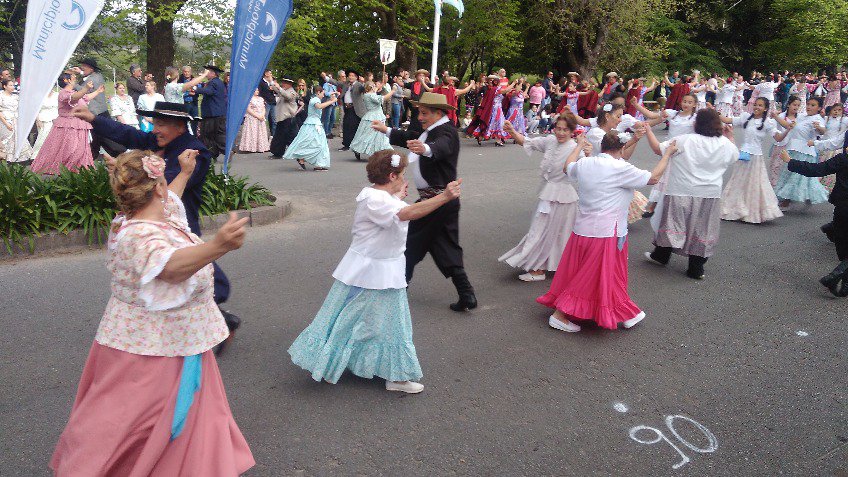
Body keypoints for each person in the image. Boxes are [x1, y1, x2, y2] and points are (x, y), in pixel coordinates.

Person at [50, 150, 254, 475]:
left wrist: (184, 172)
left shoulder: (156, 215)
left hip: (178, 341)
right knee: (130, 425)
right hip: (148, 350)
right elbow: (169, 268)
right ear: (156, 187)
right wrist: (218, 246)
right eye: (163, 182)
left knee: (176, 421)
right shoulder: (137, 234)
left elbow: (171, 198)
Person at [288, 150, 463, 393]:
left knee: (348, 318)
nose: (404, 180)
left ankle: (330, 365)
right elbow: (406, 213)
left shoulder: (377, 196)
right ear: (392, 176)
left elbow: (396, 210)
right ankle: (396, 378)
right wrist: (444, 197)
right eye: (402, 175)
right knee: (390, 325)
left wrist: (398, 196)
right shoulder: (376, 200)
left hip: (370, 270)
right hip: (375, 271)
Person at [72, 101, 241, 342]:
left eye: (161, 124)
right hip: (149, 222)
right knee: (164, 273)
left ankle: (212, 317)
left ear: (180, 126)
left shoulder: (195, 153)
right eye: (155, 123)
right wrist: (93, 118)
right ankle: (207, 319)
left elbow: (167, 193)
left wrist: (130, 173)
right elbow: (127, 134)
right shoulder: (157, 142)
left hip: (179, 223)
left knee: (189, 269)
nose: (155, 130)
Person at [538, 132, 672, 333]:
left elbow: (568, 167)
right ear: (621, 148)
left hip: (583, 230)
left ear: (602, 146)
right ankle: (560, 314)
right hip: (606, 232)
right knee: (593, 276)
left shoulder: (586, 163)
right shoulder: (620, 168)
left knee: (603, 274)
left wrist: (578, 146)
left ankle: (624, 311)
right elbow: (653, 177)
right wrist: (667, 154)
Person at [371, 92, 477, 312]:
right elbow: (409, 137)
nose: (419, 117)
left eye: (424, 113)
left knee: (409, 245)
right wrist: (386, 130)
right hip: (439, 201)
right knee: (444, 246)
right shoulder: (429, 130)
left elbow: (441, 147)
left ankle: (396, 294)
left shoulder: (447, 131)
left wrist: (426, 149)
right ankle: (466, 294)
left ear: (438, 113)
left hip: (437, 201)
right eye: (419, 112)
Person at [644, 109, 740, 279]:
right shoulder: (725, 144)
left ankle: (661, 255)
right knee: (703, 229)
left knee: (673, 224)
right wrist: (730, 136)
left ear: (697, 123)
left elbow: (658, 149)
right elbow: (734, 156)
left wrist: (649, 131)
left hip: (680, 189)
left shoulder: (684, 140)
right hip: (709, 193)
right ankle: (696, 268)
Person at [499, 114, 582, 282]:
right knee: (543, 230)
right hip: (548, 193)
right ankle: (545, 267)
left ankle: (541, 269)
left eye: (565, 130)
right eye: (558, 128)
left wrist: (583, 149)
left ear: (572, 131)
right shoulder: (550, 141)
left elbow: (586, 170)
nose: (561, 133)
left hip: (564, 197)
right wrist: (512, 131)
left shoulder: (575, 148)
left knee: (552, 232)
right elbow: (528, 142)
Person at [717, 97, 784, 223]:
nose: (757, 107)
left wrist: (789, 130)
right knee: (738, 182)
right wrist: (716, 113)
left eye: (760, 105)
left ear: (765, 109)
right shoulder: (745, 117)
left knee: (756, 184)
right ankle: (736, 208)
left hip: (756, 157)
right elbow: (727, 120)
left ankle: (753, 211)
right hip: (743, 155)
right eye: (755, 105)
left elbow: (779, 138)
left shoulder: (768, 123)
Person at [30, 73, 101, 174]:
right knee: (71, 148)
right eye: (72, 77)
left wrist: (98, 91)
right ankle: (64, 169)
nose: (74, 78)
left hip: (79, 124)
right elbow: (74, 97)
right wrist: (85, 88)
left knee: (80, 149)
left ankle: (77, 169)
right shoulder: (63, 93)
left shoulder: (74, 92)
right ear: (66, 80)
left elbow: (85, 97)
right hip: (68, 125)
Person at [773, 97, 828, 210]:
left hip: (805, 152)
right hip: (793, 149)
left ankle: (786, 201)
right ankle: (804, 197)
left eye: (813, 105)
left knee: (795, 177)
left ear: (819, 108)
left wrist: (819, 128)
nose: (809, 107)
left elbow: (822, 131)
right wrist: (776, 117)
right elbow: (788, 125)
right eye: (808, 104)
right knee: (793, 176)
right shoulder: (801, 116)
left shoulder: (817, 119)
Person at [72, 58, 123, 158]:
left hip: (97, 113)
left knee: (105, 138)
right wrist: (81, 72)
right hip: (97, 113)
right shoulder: (97, 76)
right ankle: (92, 158)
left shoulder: (93, 79)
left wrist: (73, 84)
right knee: (95, 139)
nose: (82, 67)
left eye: (84, 66)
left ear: (91, 68)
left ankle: (119, 155)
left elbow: (83, 90)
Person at [283, 85, 337, 171]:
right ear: (318, 92)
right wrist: (332, 101)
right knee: (316, 143)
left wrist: (331, 99)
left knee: (313, 143)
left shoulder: (315, 99)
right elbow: (319, 106)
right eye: (322, 93)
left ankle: (306, 160)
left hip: (314, 123)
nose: (323, 95)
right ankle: (312, 162)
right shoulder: (315, 99)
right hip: (312, 124)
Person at [351, 79, 394, 160]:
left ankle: (378, 151)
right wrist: (393, 91)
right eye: (374, 85)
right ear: (371, 87)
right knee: (373, 135)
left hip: (371, 116)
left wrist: (376, 89)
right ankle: (379, 151)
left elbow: (375, 95)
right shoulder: (371, 96)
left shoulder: (366, 95)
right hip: (375, 116)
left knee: (369, 134)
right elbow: (383, 98)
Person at [195, 65, 228, 158]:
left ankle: (218, 152)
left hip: (212, 114)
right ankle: (215, 153)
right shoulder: (218, 82)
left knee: (208, 134)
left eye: (208, 72)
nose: (206, 74)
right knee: (218, 134)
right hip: (218, 112)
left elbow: (209, 91)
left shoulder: (213, 83)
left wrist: (195, 89)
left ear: (213, 73)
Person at [0, 78, 33, 163]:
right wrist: (6, 123)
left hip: (16, 119)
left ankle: (18, 159)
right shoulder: (1, 96)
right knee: (7, 139)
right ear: (5, 86)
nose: (12, 87)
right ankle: (6, 159)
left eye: (13, 85)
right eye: (10, 85)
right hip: (6, 120)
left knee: (18, 138)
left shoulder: (15, 96)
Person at [269, 76, 299, 158]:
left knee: (284, 136)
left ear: (290, 84)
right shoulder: (284, 91)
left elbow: (288, 96)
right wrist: (272, 82)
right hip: (283, 118)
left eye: (285, 83)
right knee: (281, 136)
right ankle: (278, 152)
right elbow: (278, 90)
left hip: (288, 118)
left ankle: (280, 153)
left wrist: (279, 88)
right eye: (283, 82)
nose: (283, 84)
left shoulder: (292, 92)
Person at [339, 71, 365, 152]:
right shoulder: (346, 84)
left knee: (354, 127)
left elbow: (363, 89)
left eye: (353, 76)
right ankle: (346, 144)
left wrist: (362, 82)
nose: (350, 77)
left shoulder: (358, 85)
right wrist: (326, 78)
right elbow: (336, 83)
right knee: (346, 125)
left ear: (356, 77)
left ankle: (355, 145)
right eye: (349, 75)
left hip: (355, 109)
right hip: (347, 108)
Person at [239, 89, 270, 153]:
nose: (257, 91)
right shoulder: (249, 99)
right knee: (252, 131)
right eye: (255, 90)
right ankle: (250, 147)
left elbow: (263, 108)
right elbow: (248, 109)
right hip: (252, 118)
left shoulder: (261, 99)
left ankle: (260, 147)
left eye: (258, 90)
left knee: (260, 132)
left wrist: (262, 115)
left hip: (260, 117)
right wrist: (257, 116)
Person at [31, 89, 59, 161]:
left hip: (55, 118)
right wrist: (37, 120)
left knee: (55, 138)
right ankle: (37, 155)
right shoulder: (39, 95)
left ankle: (52, 156)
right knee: (42, 137)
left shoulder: (57, 94)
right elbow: (35, 109)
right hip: (43, 118)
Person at [258, 69, 278, 137]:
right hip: (266, 103)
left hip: (273, 102)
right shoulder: (261, 82)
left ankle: (273, 135)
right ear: (266, 74)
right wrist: (263, 101)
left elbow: (276, 92)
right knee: (264, 119)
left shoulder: (271, 82)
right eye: (270, 73)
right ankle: (262, 136)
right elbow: (259, 92)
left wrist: (273, 85)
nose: (271, 75)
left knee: (274, 120)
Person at [320, 71, 340, 137]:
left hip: (334, 103)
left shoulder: (334, 85)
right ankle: (326, 133)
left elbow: (336, 93)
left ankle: (329, 131)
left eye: (331, 77)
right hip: (328, 103)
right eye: (329, 77)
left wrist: (337, 94)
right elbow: (326, 93)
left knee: (333, 119)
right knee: (327, 118)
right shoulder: (325, 84)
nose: (330, 78)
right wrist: (333, 93)